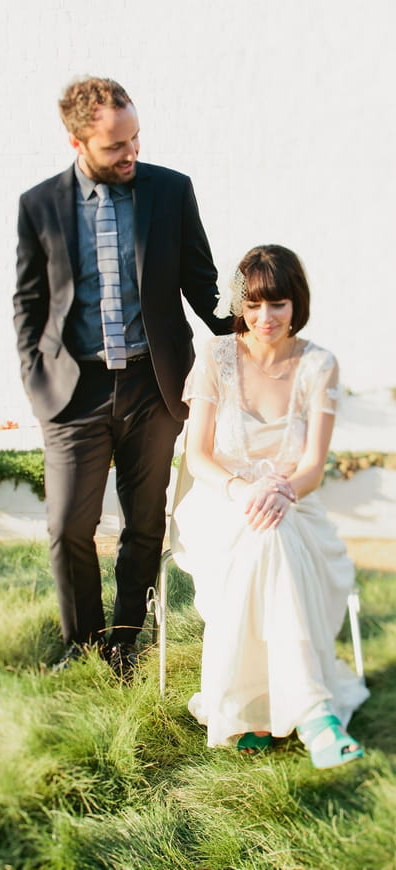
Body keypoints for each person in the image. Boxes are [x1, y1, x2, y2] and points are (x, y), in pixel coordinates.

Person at [13, 76, 232, 677]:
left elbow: (202, 284)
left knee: (144, 522)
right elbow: (29, 305)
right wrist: (38, 385)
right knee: (68, 527)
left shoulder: (171, 190)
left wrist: (251, 320)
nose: (131, 152)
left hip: (152, 387)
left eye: (135, 138)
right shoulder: (39, 206)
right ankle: (82, 643)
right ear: (76, 141)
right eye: (115, 146)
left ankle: (124, 642)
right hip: (72, 392)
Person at [171, 244, 369, 767]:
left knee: (273, 533)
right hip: (221, 501)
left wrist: (280, 491)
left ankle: (253, 710)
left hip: (291, 502)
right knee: (264, 533)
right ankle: (314, 712)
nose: (265, 318)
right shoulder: (216, 357)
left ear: (295, 303)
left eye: (277, 304)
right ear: (242, 304)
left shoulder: (318, 365)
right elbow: (199, 455)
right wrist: (245, 491)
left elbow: (311, 468)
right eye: (255, 305)